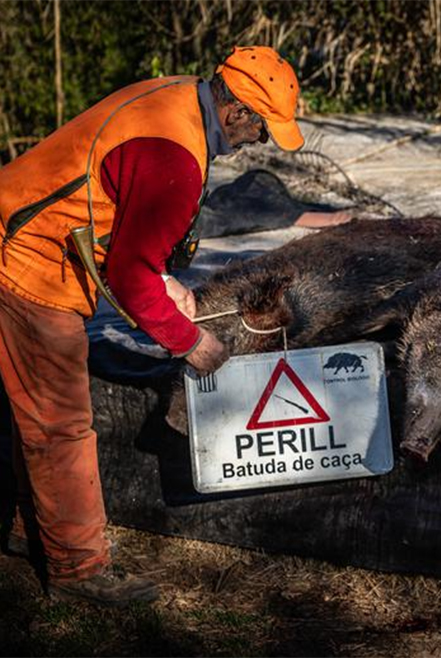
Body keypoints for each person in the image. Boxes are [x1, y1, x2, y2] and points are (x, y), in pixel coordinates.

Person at [0, 45, 336, 606]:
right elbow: (129, 278)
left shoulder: (177, 97)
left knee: (29, 410)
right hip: (28, 263)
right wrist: (191, 340)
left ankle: (26, 525)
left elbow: (124, 220)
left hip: (22, 231)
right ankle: (77, 569)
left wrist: (164, 279)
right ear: (236, 113)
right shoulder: (176, 159)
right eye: (262, 129)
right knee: (60, 422)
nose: (259, 142)